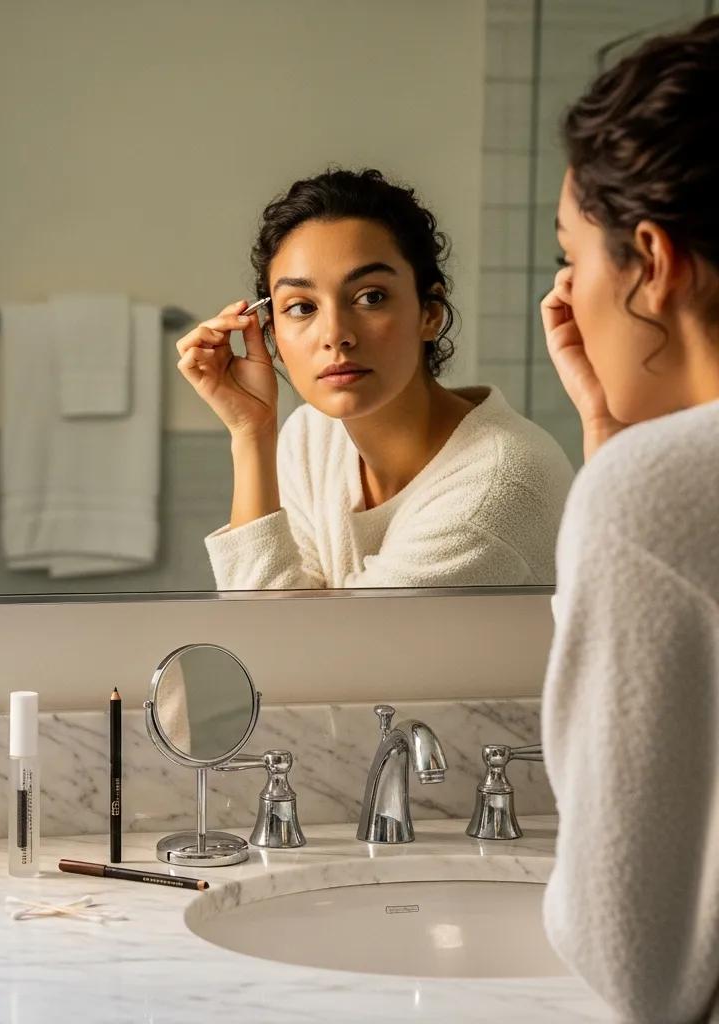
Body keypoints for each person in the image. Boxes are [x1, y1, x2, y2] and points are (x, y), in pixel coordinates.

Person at [540, 16, 719, 1023]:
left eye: (571, 255)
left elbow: (636, 962)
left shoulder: (651, 499)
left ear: (651, 258)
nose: (566, 295)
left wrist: (618, 479)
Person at [176, 168, 573, 589]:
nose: (335, 335)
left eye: (370, 297)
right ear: (271, 333)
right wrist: (251, 432)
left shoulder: (495, 490)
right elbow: (280, 618)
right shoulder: (312, 437)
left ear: (430, 312)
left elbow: (286, 630)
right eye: (302, 307)